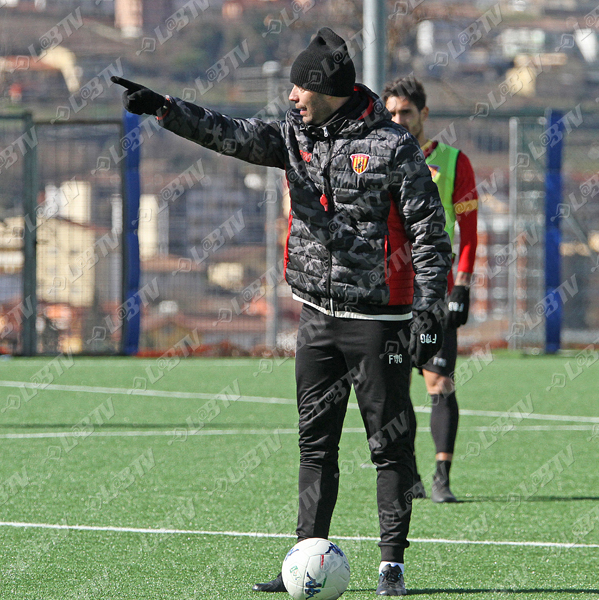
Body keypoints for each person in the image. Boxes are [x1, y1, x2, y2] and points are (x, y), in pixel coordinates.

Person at [112, 27, 451, 596]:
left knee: (388, 446)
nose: (291, 98)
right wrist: (166, 110)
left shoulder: (393, 145)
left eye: (299, 87)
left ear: (328, 89)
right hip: (316, 317)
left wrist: (429, 310)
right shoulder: (295, 137)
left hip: (379, 323)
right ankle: (304, 558)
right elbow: (229, 134)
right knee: (314, 445)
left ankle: (391, 566)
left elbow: (428, 230)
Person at [382, 77, 479, 503]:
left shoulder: (456, 163)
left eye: (405, 112)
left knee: (438, 380)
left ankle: (442, 476)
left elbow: (470, 232)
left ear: (424, 114)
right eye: (391, 113)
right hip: (387, 291)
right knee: (393, 386)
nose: (398, 120)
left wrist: (461, 286)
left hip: (433, 290)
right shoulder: (379, 158)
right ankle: (410, 477)